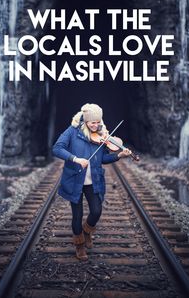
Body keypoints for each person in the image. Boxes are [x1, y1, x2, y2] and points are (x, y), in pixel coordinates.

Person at [52, 103, 131, 260]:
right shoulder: (72, 131)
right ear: (85, 121)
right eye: (92, 122)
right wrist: (75, 159)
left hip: (93, 180)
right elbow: (57, 148)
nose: (96, 125)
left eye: (98, 122)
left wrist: (119, 156)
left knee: (96, 211)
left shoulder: (102, 135)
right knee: (77, 215)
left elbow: (102, 158)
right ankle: (79, 245)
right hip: (75, 180)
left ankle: (87, 231)